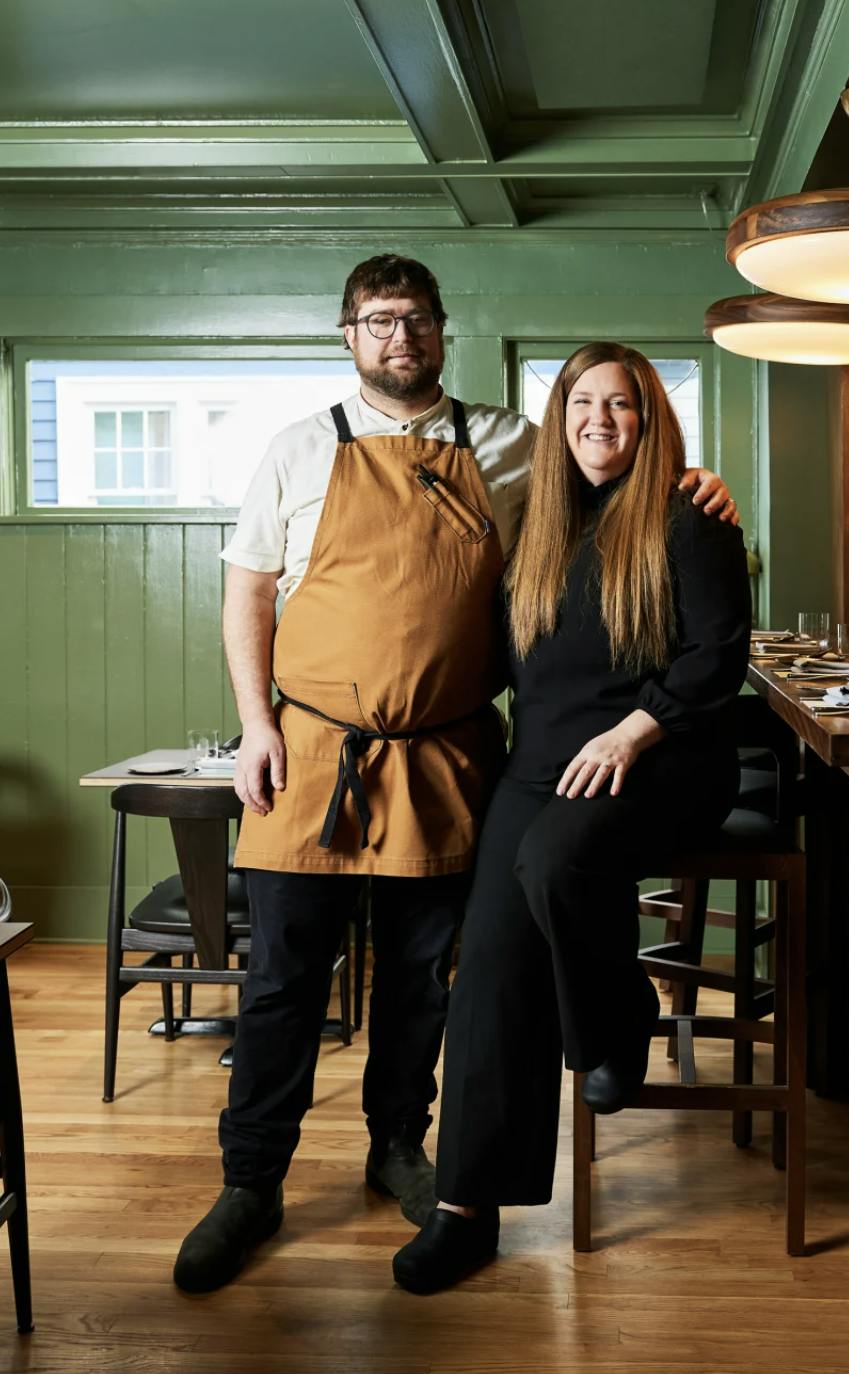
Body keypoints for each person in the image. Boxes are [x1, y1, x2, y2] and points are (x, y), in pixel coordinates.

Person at [172, 258, 738, 1294]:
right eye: (378, 322)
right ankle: (249, 1183)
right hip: (312, 751)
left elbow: (615, 505)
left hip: (448, 754)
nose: (400, 338)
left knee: (429, 983)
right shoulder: (298, 448)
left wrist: (692, 480)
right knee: (280, 982)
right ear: (348, 335)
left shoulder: (514, 448)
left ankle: (402, 1150)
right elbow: (249, 594)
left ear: (442, 333)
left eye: (417, 320)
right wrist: (256, 723)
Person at [391, 342, 751, 1295]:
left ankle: (618, 1017)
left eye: (623, 403)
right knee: (491, 967)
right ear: (559, 420)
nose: (601, 419)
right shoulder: (535, 524)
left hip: (665, 756)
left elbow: (718, 656)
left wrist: (635, 734)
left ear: (650, 419)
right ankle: (465, 1209)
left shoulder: (689, 514)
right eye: (582, 402)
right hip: (541, 762)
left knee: (555, 864)